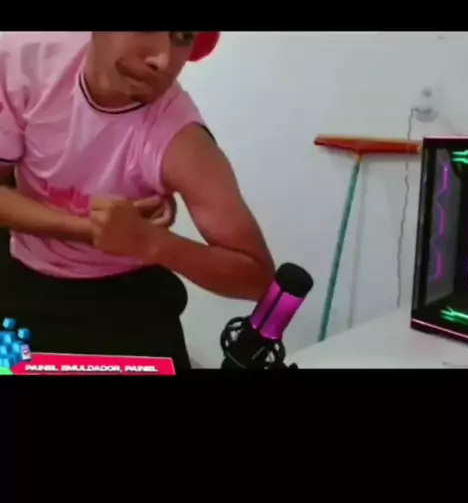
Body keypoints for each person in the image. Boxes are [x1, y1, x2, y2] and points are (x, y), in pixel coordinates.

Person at [0, 32, 274, 369]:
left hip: (127, 300)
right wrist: (88, 229)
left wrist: (151, 242)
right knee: (10, 365)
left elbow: (258, 278)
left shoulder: (181, 141)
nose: (163, 59)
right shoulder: (23, 62)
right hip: (21, 277)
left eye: (183, 37)